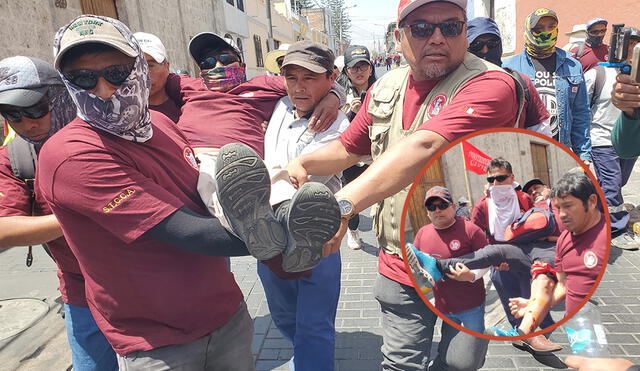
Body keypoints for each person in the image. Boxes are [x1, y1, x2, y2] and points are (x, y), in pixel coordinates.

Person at [286, 0, 527, 368]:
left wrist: (341, 205)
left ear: (465, 30)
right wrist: (301, 163)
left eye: (450, 26)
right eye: (421, 28)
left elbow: (426, 146)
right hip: (401, 262)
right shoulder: (386, 86)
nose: (436, 37)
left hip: (468, 262)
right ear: (399, 38)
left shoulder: (492, 84)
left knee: (461, 363)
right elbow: (349, 147)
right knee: (401, 363)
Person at [40, 14, 283, 369]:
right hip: (157, 343)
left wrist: (332, 99)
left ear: (139, 68)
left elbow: (205, 201)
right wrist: (283, 233)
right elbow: (188, 231)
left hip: (226, 316)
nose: (104, 90)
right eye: (84, 78)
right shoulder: (72, 156)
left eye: (117, 72)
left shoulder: (164, 125)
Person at [0, 56, 118, 371]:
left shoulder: (109, 131)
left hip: (140, 275)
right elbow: (4, 229)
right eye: (13, 114)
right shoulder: (15, 157)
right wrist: (82, 215)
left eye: (37, 108)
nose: (27, 123)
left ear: (60, 94)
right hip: (81, 285)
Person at [258, 40, 349, 371]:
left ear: (330, 76)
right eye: (291, 77)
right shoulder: (278, 105)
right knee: (284, 315)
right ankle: (303, 352)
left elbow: (303, 183)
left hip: (317, 239)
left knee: (314, 327)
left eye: (309, 78)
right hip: (269, 237)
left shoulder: (341, 125)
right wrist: (338, 91)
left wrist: (338, 96)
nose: (298, 87)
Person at [503, 8, 592, 163]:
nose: (546, 32)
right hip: (524, 151)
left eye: (551, 27)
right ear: (528, 31)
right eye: (539, 29)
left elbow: (581, 114)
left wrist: (583, 155)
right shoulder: (510, 66)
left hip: (562, 150)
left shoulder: (573, 66)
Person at [585, 31, 640, 250]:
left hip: (629, 141)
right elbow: (582, 109)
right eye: (628, 45)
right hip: (602, 140)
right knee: (612, 185)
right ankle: (614, 231)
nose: (630, 51)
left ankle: (592, 216)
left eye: (636, 47)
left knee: (617, 183)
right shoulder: (597, 74)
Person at [410, 186, 489, 333]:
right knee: (452, 346)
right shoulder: (422, 233)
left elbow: (488, 260)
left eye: (442, 205)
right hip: (442, 306)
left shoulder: (471, 230)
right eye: (431, 207)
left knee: (475, 345)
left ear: (453, 207)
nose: (437, 210)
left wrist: (471, 276)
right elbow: (416, 263)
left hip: (471, 305)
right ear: (427, 212)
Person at [467, 16, 551, 134]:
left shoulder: (521, 83)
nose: (485, 50)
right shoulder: (454, 83)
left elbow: (541, 133)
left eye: (492, 44)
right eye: (477, 45)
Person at [341, 45, 377, 250]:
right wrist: (351, 113)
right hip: (351, 156)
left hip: (377, 153)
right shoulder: (338, 95)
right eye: (354, 67)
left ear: (371, 68)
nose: (359, 71)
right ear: (347, 71)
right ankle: (352, 231)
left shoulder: (381, 89)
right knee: (350, 195)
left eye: (364, 66)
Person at [133, 32, 178, 122]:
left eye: (150, 65)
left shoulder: (186, 108)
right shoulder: (121, 117)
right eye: (135, 66)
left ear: (167, 67)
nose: (143, 72)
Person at [610, 33, 640, 158]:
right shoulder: (599, 72)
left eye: (634, 43)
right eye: (628, 43)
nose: (630, 48)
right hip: (601, 140)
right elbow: (626, 148)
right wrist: (632, 112)